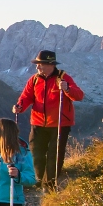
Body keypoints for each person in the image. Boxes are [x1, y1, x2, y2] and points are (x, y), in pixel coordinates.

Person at [14, 50, 84, 188]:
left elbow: (79, 96)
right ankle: (38, 180)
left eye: (40, 64)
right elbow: (26, 97)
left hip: (59, 124)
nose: (37, 67)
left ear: (50, 64)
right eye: (37, 64)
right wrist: (20, 107)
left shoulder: (64, 78)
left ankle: (50, 183)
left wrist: (67, 88)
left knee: (54, 155)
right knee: (35, 152)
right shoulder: (34, 79)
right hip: (38, 123)